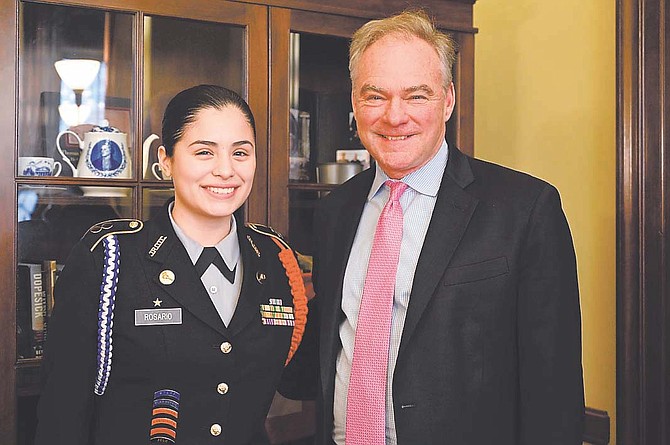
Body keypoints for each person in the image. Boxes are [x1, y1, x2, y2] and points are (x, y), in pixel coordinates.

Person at [280, 9, 584, 445]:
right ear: (354, 103)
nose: (394, 116)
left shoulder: (526, 210)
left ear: (448, 100)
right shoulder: (335, 212)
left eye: (417, 96)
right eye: (375, 96)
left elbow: (553, 391)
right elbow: (326, 351)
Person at [35, 85, 307, 445]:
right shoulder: (110, 258)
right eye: (204, 152)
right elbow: (62, 412)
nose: (226, 170)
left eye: (240, 152)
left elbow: (303, 377)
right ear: (166, 160)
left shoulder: (275, 259)